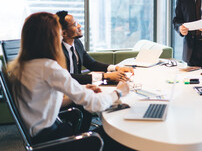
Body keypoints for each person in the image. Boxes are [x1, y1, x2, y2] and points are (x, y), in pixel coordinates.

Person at [6, 12, 130, 148]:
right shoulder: (48, 67)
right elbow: (96, 104)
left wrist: (81, 90)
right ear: (51, 38)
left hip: (41, 139)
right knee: (117, 136)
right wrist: (119, 92)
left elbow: (41, 104)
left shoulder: (20, 67)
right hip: (56, 142)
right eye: (59, 33)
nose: (61, 38)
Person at [56, 10, 133, 85]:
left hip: (76, 89)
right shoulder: (57, 50)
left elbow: (92, 64)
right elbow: (66, 77)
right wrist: (104, 76)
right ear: (64, 33)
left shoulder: (77, 43)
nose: (79, 26)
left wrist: (116, 68)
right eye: (75, 24)